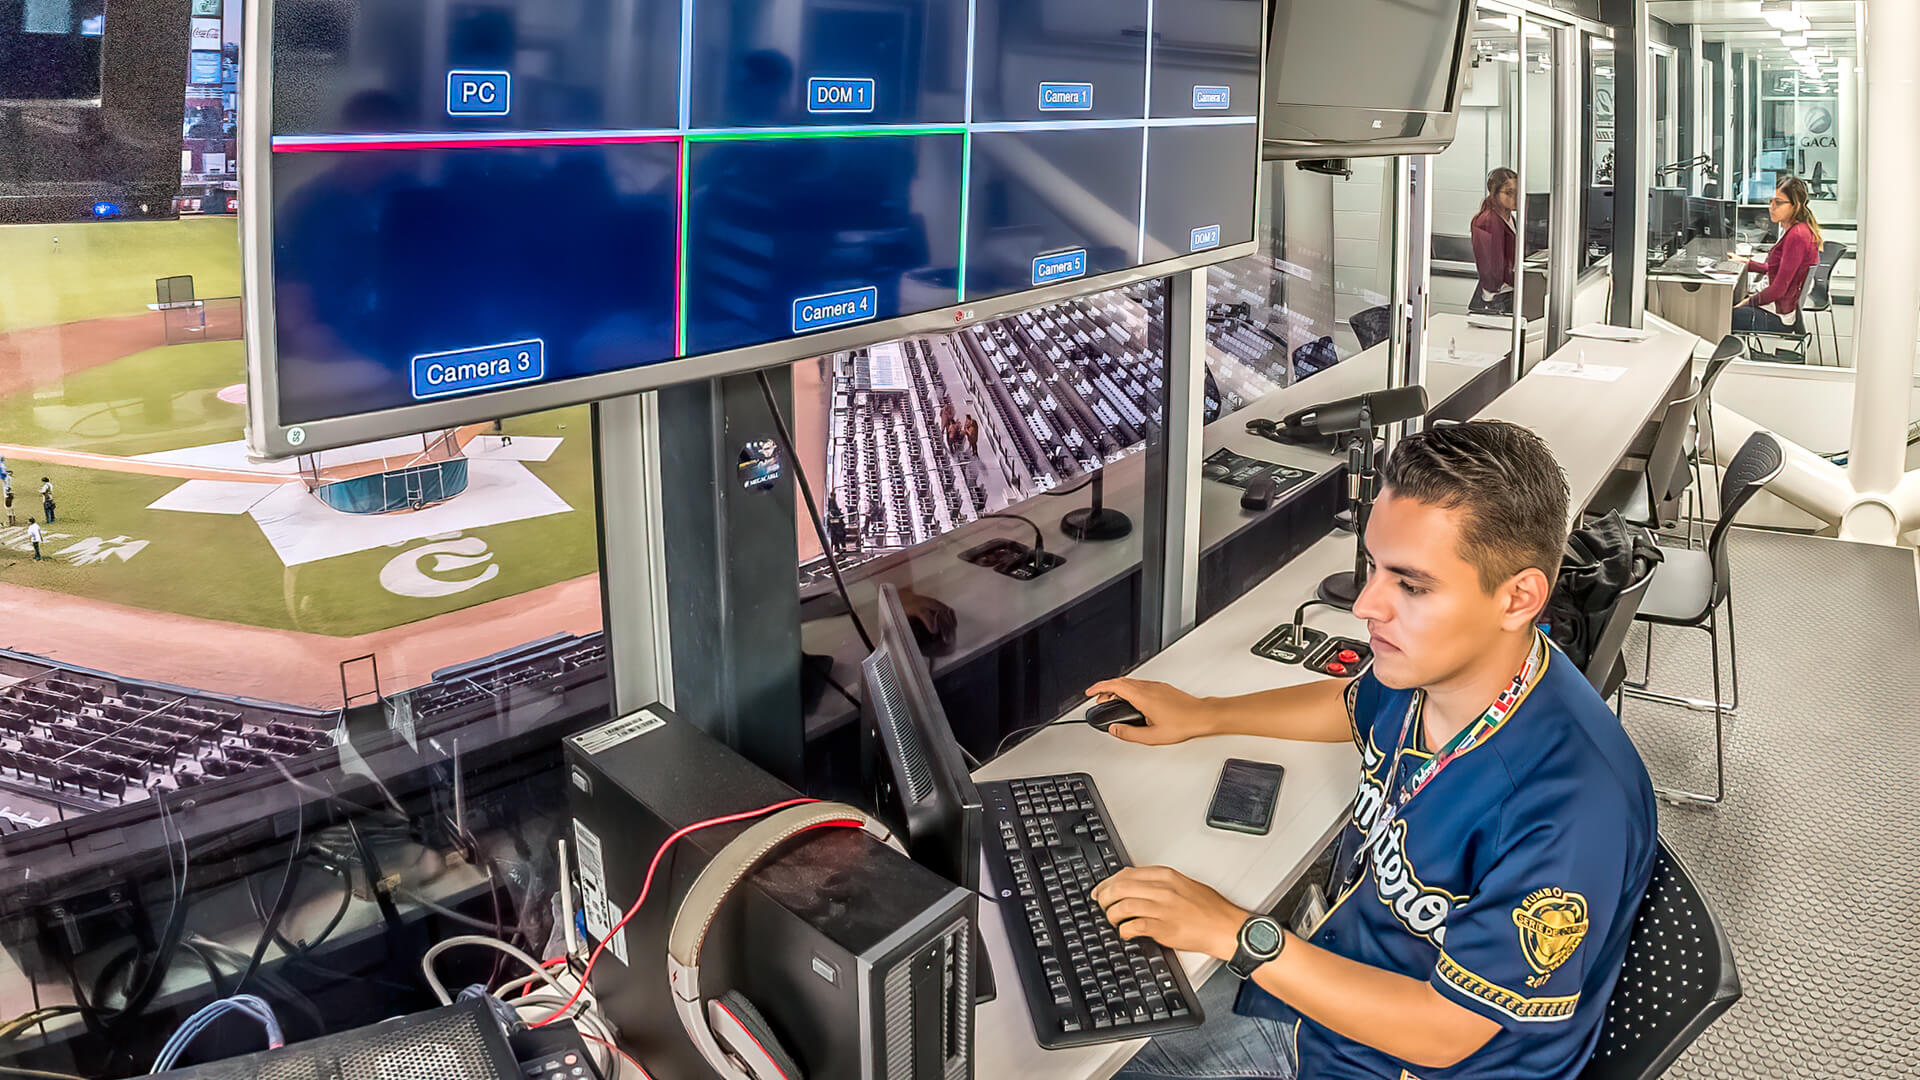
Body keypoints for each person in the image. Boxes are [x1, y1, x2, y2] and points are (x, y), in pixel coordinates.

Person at [1086, 421, 1657, 1080]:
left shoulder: (1573, 806)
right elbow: (1350, 704)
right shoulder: (1443, 670)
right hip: (1345, 971)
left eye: (1410, 585)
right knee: (1107, 1001)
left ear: (1518, 597)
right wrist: (1205, 714)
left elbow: (1443, 1033)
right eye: (1374, 567)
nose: (1365, 605)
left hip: (1399, 1058)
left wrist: (1234, 932)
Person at [1733, 176, 1821, 337]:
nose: (1771, 207)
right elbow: (1779, 269)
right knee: (1729, 304)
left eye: (1778, 203)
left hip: (1777, 317)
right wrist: (1746, 263)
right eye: (1771, 201)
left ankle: (1732, 351)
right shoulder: (1794, 229)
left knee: (1723, 314)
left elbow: (1778, 289)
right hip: (1777, 308)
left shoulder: (1797, 235)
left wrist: (1749, 301)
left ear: (1796, 205)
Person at [1469, 168, 1520, 316]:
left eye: (1518, 192)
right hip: (1495, 299)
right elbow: (1490, 266)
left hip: (1507, 292)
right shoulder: (1488, 221)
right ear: (1494, 193)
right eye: (1509, 192)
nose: (1515, 197)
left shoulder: (1510, 218)